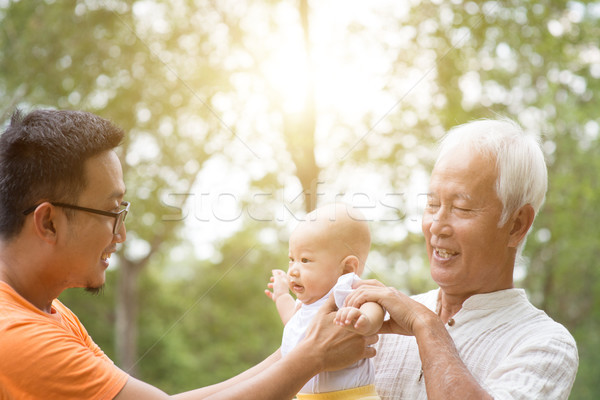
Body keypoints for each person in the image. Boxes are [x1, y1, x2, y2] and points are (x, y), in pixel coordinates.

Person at [0, 109, 377, 400]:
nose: (122, 234)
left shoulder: (50, 313)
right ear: (48, 222)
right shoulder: (18, 339)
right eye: (112, 213)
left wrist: (301, 346)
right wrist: (309, 359)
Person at [344, 118, 579, 399]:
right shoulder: (376, 321)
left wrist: (427, 326)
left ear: (516, 225)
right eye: (432, 204)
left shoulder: (545, 344)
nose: (436, 225)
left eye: (461, 207)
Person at [265, 203, 384, 399]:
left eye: (305, 260)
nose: (293, 269)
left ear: (346, 268)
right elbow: (293, 324)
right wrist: (282, 296)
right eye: (291, 259)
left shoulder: (345, 288)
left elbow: (373, 304)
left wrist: (366, 320)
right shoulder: (306, 306)